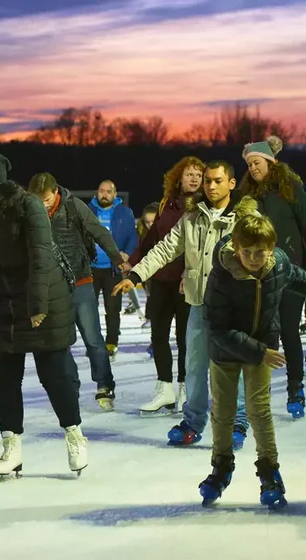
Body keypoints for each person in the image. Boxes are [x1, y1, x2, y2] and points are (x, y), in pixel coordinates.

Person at [0, 147, 88, 478]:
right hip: (5, 300)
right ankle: (11, 445)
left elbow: (41, 255)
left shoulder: (27, 205)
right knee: (5, 377)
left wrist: (37, 305)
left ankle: (74, 434)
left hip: (44, 296)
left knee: (54, 375)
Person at [113, 161, 250, 449]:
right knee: (194, 366)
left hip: (234, 308)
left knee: (228, 366)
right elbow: (165, 248)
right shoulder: (192, 217)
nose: (211, 186)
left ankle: (237, 420)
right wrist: (136, 274)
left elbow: (263, 255)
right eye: (208, 181)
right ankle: (194, 421)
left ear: (232, 183)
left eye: (217, 181)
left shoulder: (246, 219)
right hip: (199, 303)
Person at [199, 198, 302, 509]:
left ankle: (270, 473)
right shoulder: (221, 275)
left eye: (262, 251)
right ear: (236, 246)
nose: (255, 258)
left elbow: (298, 277)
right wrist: (260, 352)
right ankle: (221, 468)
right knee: (224, 412)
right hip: (226, 350)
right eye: (248, 252)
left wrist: (261, 350)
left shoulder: (278, 263)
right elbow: (216, 328)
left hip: (263, 345)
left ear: (271, 247)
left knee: (260, 412)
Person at [28, 172, 125, 411]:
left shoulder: (73, 206)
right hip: (52, 286)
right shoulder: (28, 211)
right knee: (61, 340)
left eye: (47, 199)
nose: (43, 204)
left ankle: (104, 384)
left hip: (81, 280)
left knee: (93, 338)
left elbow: (98, 231)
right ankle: (70, 385)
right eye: (38, 200)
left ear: (56, 192)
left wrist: (115, 257)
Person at [238, 135, 306, 418]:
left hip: (291, 272)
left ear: (270, 161)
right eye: (250, 164)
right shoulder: (248, 197)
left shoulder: (291, 188)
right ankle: (260, 392)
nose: (254, 168)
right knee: (265, 335)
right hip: (260, 275)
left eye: (257, 163)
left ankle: (295, 388)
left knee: (289, 331)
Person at [130, 157, 202, 414]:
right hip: (160, 281)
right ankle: (165, 388)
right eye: (189, 174)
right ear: (178, 178)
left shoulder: (203, 206)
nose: (193, 178)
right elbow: (152, 239)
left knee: (185, 338)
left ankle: (184, 387)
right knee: (158, 335)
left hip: (187, 283)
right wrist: (133, 265)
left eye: (198, 174)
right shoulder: (166, 204)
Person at [88, 180, 137, 360]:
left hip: (113, 270)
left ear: (115, 195)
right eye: (102, 191)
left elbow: (133, 236)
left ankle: (111, 342)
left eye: (109, 191)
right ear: (97, 193)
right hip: (90, 269)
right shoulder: (88, 210)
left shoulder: (125, 212)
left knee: (113, 309)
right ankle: (93, 343)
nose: (105, 194)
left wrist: (128, 254)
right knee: (88, 310)